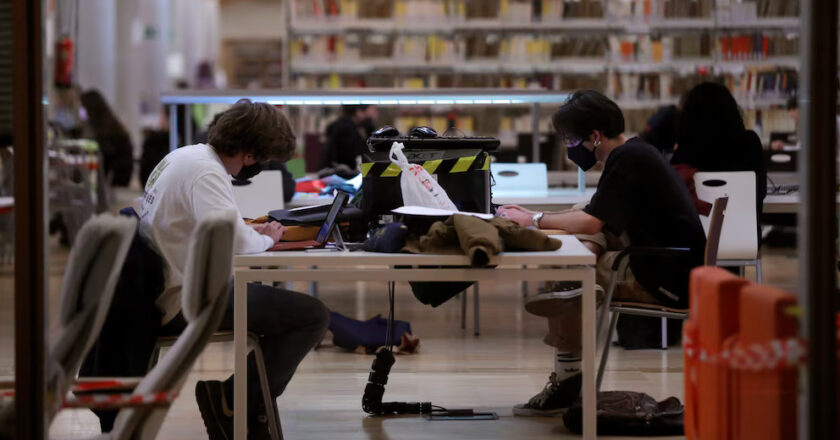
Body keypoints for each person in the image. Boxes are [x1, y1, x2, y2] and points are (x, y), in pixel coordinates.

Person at [496, 90, 706, 416]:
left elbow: (592, 222)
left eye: (570, 139)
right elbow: (599, 217)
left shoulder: (627, 160)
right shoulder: (635, 153)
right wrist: (550, 222)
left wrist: (534, 219)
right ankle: (569, 302)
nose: (568, 147)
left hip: (664, 277)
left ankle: (567, 378)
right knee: (579, 238)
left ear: (594, 136)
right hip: (671, 266)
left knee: (570, 268)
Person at [139, 99, 329, 439]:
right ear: (251, 155)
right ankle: (234, 403)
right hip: (186, 299)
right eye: (266, 160)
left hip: (166, 287)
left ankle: (236, 402)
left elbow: (216, 227)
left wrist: (246, 231)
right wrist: (269, 238)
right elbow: (237, 244)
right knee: (311, 315)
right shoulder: (208, 173)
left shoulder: (185, 157)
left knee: (285, 310)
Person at [671, 82, 766, 217]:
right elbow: (760, 193)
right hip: (745, 235)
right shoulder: (750, 143)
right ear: (732, 111)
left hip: (699, 236)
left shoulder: (684, 153)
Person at [80, 89, 134, 186]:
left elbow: (105, 160)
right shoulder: (110, 125)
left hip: (116, 179)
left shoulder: (106, 132)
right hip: (117, 175)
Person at [321, 104, 378, 172]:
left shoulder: (345, 126)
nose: (376, 113)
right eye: (374, 110)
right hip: (343, 173)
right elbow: (355, 155)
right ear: (358, 112)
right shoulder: (347, 129)